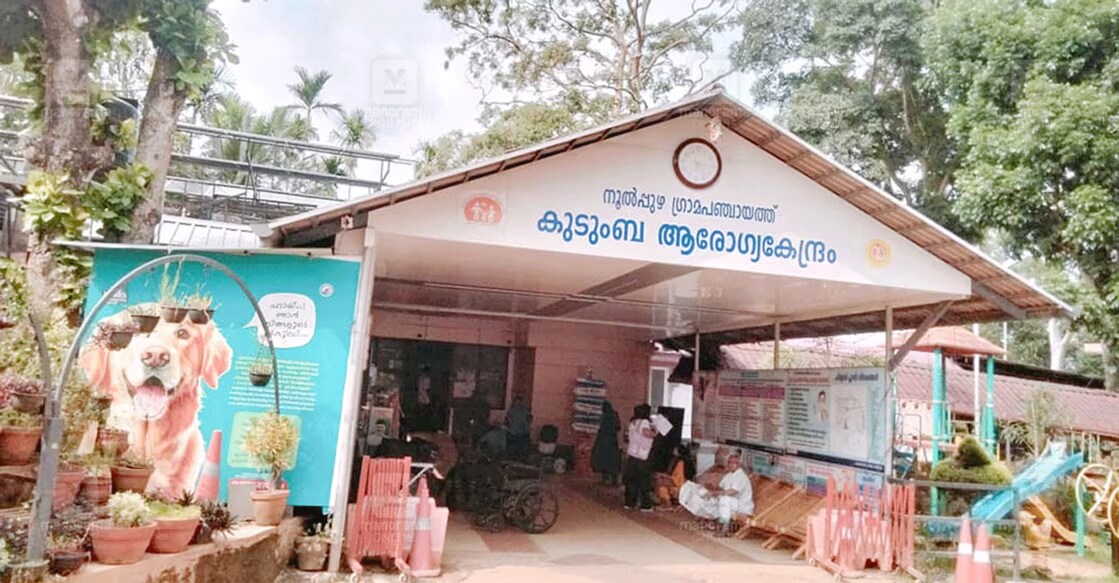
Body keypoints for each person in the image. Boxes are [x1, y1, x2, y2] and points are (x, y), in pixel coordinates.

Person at [679, 453, 754, 536]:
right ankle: (708, 520)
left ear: (739, 464)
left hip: (741, 505)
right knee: (702, 493)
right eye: (729, 462)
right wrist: (710, 488)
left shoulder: (741, 476)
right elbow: (720, 488)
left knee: (725, 500)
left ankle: (725, 529)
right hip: (731, 502)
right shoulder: (729, 475)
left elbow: (732, 492)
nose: (731, 465)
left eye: (734, 463)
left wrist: (714, 493)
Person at [623, 404, 656, 511]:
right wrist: (655, 432)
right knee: (644, 481)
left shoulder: (633, 422)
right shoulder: (644, 422)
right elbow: (647, 433)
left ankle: (629, 503)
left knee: (632, 480)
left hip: (632, 454)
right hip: (642, 456)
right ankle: (645, 505)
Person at [591, 400, 622, 486]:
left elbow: (600, 428)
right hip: (613, 440)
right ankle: (614, 479)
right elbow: (618, 427)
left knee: (603, 458)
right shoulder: (614, 414)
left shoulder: (604, 416)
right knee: (613, 460)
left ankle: (605, 478)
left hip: (604, 440)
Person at [504, 394, 533, 459]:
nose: (518, 403)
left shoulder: (524, 411)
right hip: (514, 433)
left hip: (520, 433)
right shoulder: (511, 410)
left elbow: (529, 419)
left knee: (519, 449)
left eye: (519, 402)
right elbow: (507, 421)